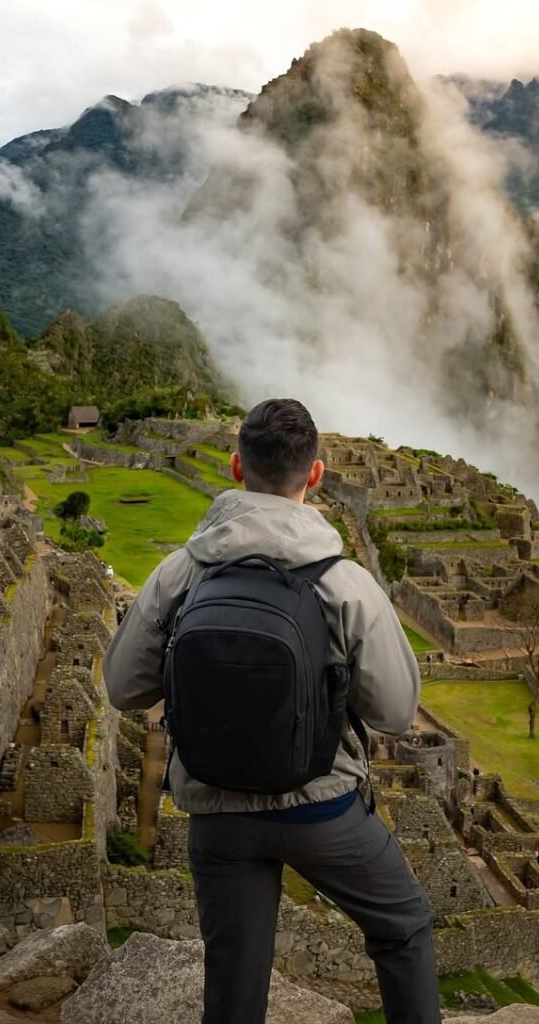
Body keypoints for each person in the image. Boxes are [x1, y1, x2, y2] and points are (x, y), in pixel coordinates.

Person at [105, 398, 440, 1024]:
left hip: (216, 810)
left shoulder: (181, 574)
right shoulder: (345, 584)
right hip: (325, 810)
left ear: (235, 467)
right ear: (314, 474)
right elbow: (396, 712)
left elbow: (123, 688)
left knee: (236, 967)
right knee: (402, 927)